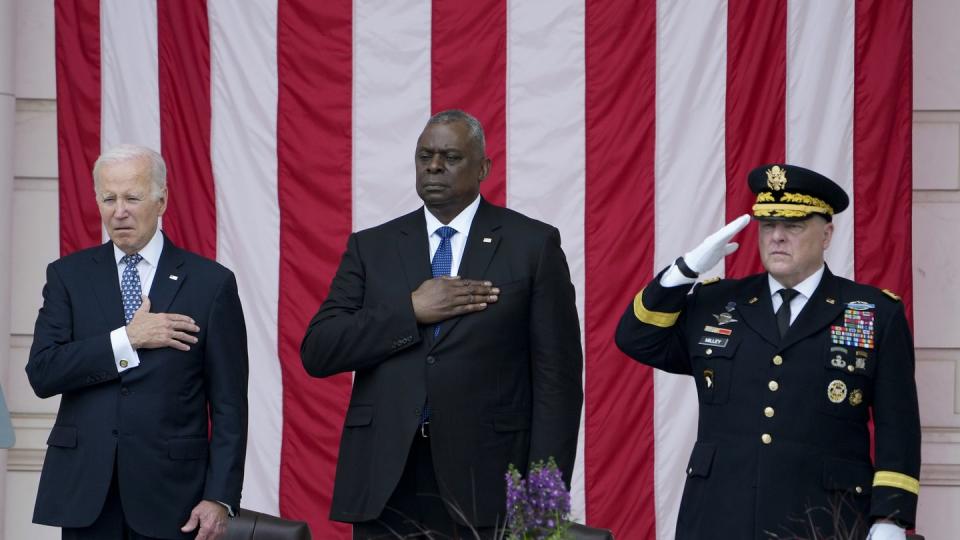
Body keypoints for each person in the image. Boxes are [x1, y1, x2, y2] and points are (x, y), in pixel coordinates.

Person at [301, 110, 583, 538]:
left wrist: (543, 501)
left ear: (483, 168)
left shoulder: (533, 245)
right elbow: (319, 351)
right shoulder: (371, 247)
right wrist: (409, 310)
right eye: (424, 156)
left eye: (450, 156)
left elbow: (557, 382)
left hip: (488, 484)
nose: (434, 166)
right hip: (386, 482)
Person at [615, 164, 920, 540]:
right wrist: (684, 271)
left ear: (826, 234)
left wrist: (890, 518)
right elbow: (635, 337)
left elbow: (898, 426)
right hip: (719, 515)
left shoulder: (873, 312)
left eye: (793, 226)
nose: (777, 237)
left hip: (823, 519)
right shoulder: (716, 302)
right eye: (767, 225)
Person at [27, 145, 248, 540]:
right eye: (108, 198)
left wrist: (221, 497)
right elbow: (43, 372)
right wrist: (126, 340)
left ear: (161, 200)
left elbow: (230, 405)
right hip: (86, 496)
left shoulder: (211, 284)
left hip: (173, 497)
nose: (119, 211)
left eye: (132, 197)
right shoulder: (68, 276)